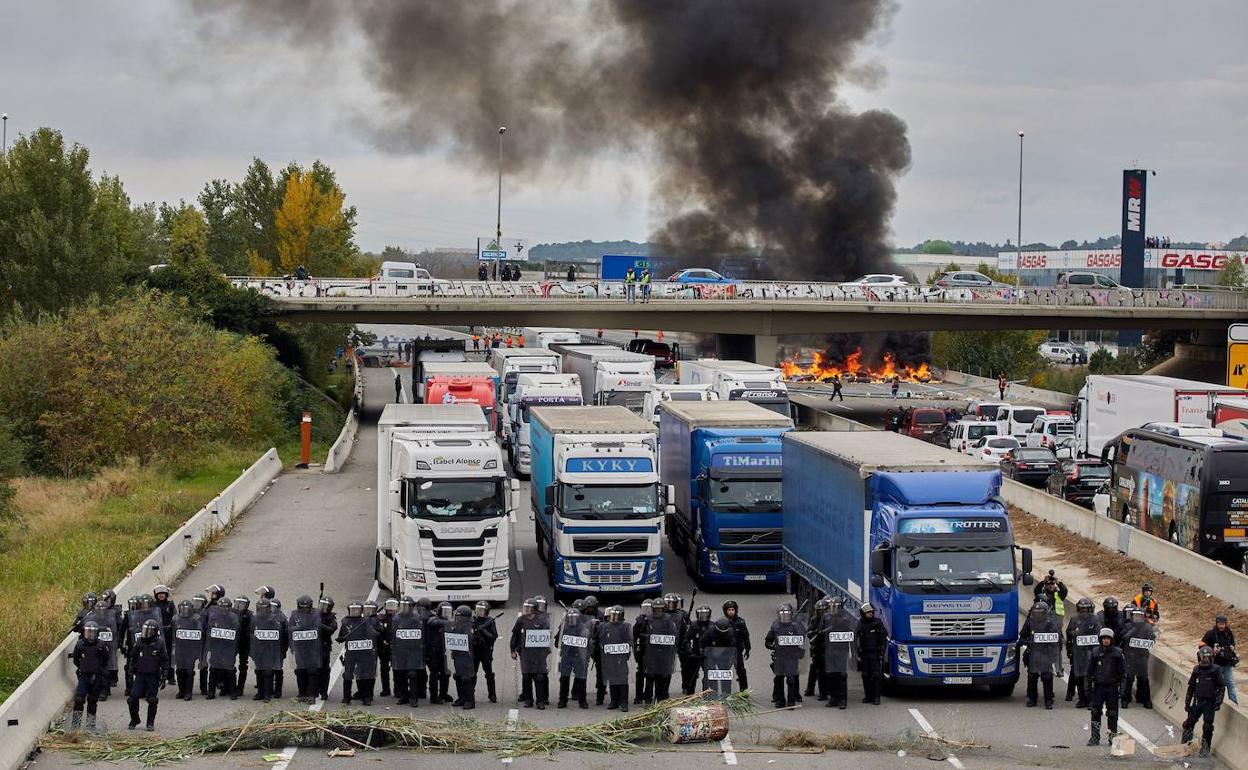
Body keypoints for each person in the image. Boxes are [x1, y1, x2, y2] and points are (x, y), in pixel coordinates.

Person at [1182, 646, 1226, 758]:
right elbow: (1191, 687)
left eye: (1207, 658)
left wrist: (1218, 702)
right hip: (1197, 701)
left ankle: (1205, 747)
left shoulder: (1216, 670)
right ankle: (1185, 745)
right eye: (1203, 657)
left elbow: (1221, 687)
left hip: (1210, 703)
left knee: (1207, 726)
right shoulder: (1196, 669)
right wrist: (1187, 702)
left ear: (1211, 658)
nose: (1205, 660)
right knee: (1189, 723)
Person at [1019, 601, 1063, 709]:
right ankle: (1032, 699)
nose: (1038, 614)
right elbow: (1022, 637)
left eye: (1040, 612)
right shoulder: (1030, 622)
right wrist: (1028, 643)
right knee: (1032, 676)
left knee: (1047, 676)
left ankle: (1048, 700)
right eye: (1036, 612)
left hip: (1046, 654)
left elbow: (1057, 639)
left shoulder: (1050, 623)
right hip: (1033, 654)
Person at [1086, 626, 1125, 746]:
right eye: (1104, 638)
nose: (1106, 640)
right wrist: (1088, 689)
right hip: (1098, 687)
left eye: (1108, 638)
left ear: (1111, 639)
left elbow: (1122, 673)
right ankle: (1095, 738)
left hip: (1112, 687)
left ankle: (1112, 737)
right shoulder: (1095, 652)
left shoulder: (1118, 653)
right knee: (1095, 712)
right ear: (1100, 639)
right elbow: (1089, 672)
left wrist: (1122, 689)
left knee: (1112, 713)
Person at [127, 620, 168, 731]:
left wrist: (164, 676)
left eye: (149, 631)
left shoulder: (159, 643)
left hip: (153, 676)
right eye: (145, 630)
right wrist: (130, 673)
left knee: (152, 699)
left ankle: (150, 723)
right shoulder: (139, 642)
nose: (146, 634)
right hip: (140, 675)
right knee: (132, 698)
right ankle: (135, 719)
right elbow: (133, 658)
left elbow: (165, 660)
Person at [511, 598, 552, 708]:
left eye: (528, 608)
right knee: (526, 677)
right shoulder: (521, 620)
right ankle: (528, 699)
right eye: (525, 607)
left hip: (539, 654)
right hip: (525, 654)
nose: (526, 610)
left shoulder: (541, 620)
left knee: (539, 677)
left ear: (534, 609)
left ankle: (540, 701)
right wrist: (512, 650)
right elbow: (515, 635)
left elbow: (546, 636)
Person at [70, 621, 111, 730]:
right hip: (84, 676)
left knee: (92, 700)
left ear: (96, 633)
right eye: (88, 632)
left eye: (92, 632)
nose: (90, 635)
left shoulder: (101, 645)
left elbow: (106, 659)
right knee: (79, 699)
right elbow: (76, 659)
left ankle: (90, 725)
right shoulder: (80, 645)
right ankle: (75, 725)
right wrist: (83, 667)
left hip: (96, 676)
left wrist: (98, 669)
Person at [337, 600, 380, 705]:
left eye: (357, 610)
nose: (355, 612)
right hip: (351, 653)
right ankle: (346, 697)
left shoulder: (365, 621)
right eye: (353, 610)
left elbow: (373, 634)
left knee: (365, 674)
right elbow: (342, 635)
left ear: (361, 611)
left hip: (363, 653)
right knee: (348, 674)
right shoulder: (346, 622)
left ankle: (366, 697)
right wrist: (341, 638)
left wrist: (372, 630)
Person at [764, 603, 806, 708]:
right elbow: (768, 642)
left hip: (791, 656)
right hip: (780, 656)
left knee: (791, 679)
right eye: (782, 613)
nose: (784, 615)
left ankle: (791, 701)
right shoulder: (775, 626)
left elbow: (802, 640)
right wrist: (775, 646)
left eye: (787, 613)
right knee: (779, 678)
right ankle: (780, 700)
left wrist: (797, 648)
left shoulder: (796, 626)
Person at [820, 596, 856, 709]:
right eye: (832, 606)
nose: (833, 609)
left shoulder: (847, 617)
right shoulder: (826, 617)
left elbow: (853, 631)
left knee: (842, 675)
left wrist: (842, 624)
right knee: (831, 675)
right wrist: (828, 629)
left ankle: (842, 700)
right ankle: (833, 698)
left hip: (841, 650)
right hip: (830, 649)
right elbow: (821, 631)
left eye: (835, 607)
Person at [556, 604, 592, 709]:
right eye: (570, 618)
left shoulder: (583, 629)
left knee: (581, 679)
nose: (572, 620)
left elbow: (589, 644)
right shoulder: (564, 628)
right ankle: (562, 700)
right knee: (564, 679)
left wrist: (586, 656)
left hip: (579, 657)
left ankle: (582, 701)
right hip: (566, 656)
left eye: (574, 618)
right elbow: (557, 642)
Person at [597, 605, 633, 710]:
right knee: (612, 679)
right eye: (612, 615)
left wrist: (626, 651)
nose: (614, 618)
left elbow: (630, 640)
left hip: (621, 657)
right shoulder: (605, 626)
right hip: (610, 657)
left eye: (616, 615)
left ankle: (624, 702)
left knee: (622, 679)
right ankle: (614, 701)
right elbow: (601, 639)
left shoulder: (626, 626)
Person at [249, 598, 285, 703]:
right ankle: (260, 693)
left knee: (268, 672)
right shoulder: (254, 619)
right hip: (258, 650)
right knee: (259, 671)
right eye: (259, 608)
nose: (261, 611)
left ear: (268, 609)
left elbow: (279, 636)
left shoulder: (273, 620)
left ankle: (267, 695)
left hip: (269, 650)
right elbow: (250, 634)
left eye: (263, 609)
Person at [1065, 598, 1099, 707]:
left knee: (1090, 677)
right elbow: (1069, 634)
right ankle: (1082, 699)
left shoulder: (1096, 620)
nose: (1083, 612)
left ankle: (1091, 700)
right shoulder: (1074, 620)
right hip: (1078, 653)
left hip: (1091, 653)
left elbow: (1099, 635)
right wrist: (1070, 650)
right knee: (1078, 677)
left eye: (1086, 609)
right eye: (1081, 609)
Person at [288, 595, 322, 703]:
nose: (304, 610)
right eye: (302, 607)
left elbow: (318, 628)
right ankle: (302, 693)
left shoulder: (316, 614)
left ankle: (312, 694)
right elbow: (290, 629)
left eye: (306, 607)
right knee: (300, 671)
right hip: (299, 647)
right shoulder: (294, 614)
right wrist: (292, 646)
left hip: (312, 647)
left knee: (312, 671)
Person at [643, 600, 679, 703]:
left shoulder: (668, 620)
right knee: (650, 676)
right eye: (656, 609)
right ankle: (648, 698)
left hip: (664, 652)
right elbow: (640, 633)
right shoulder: (648, 619)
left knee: (662, 676)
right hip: (651, 652)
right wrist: (648, 637)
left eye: (660, 609)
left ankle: (660, 698)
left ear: (664, 609)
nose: (658, 611)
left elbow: (674, 635)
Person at [205, 596, 240, 699]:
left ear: (230, 607)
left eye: (226, 607)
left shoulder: (234, 617)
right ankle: (211, 692)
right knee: (213, 670)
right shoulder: (213, 617)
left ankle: (233, 692)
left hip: (229, 648)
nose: (224, 609)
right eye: (221, 607)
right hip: (216, 647)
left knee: (230, 670)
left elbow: (236, 631)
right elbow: (209, 630)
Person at [1119, 608, 1155, 709]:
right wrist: (1131, 632)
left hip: (1142, 656)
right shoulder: (1128, 626)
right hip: (1130, 656)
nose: (1137, 618)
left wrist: (1150, 635)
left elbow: (1153, 638)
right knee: (1129, 678)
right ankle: (1125, 699)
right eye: (1136, 616)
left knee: (1144, 678)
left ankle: (1145, 699)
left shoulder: (1147, 627)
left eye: (1139, 616)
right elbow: (1123, 638)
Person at [1200, 614, 1238, 705]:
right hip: (1216, 665)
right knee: (1216, 684)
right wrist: (1212, 650)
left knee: (1230, 683)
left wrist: (1232, 647)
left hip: (1227, 663)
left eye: (1223, 624)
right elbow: (1201, 645)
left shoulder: (1228, 633)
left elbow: (1232, 642)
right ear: (1216, 624)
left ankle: (1235, 702)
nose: (1222, 626)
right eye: (1220, 624)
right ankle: (1214, 702)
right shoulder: (1211, 633)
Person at [856, 603, 888, 705]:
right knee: (865, 675)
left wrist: (881, 653)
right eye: (868, 612)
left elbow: (883, 638)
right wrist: (857, 651)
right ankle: (868, 696)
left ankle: (876, 697)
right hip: (864, 653)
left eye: (871, 612)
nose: (870, 614)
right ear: (863, 613)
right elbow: (856, 638)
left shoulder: (877, 623)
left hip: (875, 653)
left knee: (876, 675)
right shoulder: (860, 624)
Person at [171, 600, 203, 701]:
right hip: (180, 648)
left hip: (191, 649)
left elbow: (200, 634)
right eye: (183, 609)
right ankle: (181, 690)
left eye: (187, 609)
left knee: (189, 671)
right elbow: (172, 634)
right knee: (179, 671)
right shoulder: (175, 619)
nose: (185, 611)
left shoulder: (196, 619)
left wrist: (197, 651)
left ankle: (188, 692)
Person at [446, 605, 477, 709]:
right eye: (457, 616)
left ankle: (470, 701)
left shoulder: (470, 627)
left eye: (460, 617)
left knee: (466, 678)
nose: (457, 619)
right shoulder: (456, 626)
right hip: (457, 656)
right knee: (458, 676)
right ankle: (462, 698)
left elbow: (471, 639)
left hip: (467, 657)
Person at [699, 617, 738, 699]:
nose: (722, 633)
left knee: (725, 674)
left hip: (724, 656)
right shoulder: (710, 631)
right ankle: (712, 693)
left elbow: (733, 646)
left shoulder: (730, 634)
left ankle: (726, 693)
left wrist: (732, 658)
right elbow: (702, 642)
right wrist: (703, 651)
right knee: (711, 674)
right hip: (711, 655)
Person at [471, 600, 500, 703]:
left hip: (486, 651)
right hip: (475, 651)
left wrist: (483, 630)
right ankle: (470, 692)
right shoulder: (473, 621)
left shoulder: (490, 621)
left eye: (482, 610)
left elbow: (493, 636)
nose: (479, 612)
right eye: (478, 610)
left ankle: (492, 694)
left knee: (489, 674)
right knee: (472, 673)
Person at [683, 605, 713, 696]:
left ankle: (707, 693)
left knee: (708, 674)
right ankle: (690, 692)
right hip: (695, 654)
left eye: (705, 615)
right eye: (701, 615)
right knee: (692, 674)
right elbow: (687, 639)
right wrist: (689, 651)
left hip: (708, 654)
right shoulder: (694, 625)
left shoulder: (712, 625)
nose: (703, 617)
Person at [722, 600, 751, 692]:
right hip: (726, 651)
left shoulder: (740, 622)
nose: (731, 612)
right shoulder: (722, 622)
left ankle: (744, 690)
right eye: (729, 610)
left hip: (737, 650)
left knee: (741, 670)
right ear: (725, 611)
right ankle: (725, 691)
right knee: (725, 672)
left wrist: (748, 649)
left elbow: (745, 636)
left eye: (732, 610)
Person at [425, 601, 450, 704]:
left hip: (444, 652)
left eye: (448, 611)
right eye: (444, 611)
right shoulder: (433, 619)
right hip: (433, 652)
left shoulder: (448, 621)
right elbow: (433, 622)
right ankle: (434, 696)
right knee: (434, 674)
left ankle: (443, 694)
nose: (446, 614)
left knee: (446, 673)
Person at [317, 596, 338, 701]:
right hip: (313, 646)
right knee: (314, 669)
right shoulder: (314, 614)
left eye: (326, 606)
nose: (323, 608)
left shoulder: (331, 618)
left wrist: (319, 624)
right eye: (322, 605)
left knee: (324, 670)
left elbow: (331, 629)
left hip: (324, 645)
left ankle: (324, 691)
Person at [153, 585, 176, 683]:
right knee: (156, 654)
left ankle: (171, 676)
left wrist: (172, 627)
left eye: (163, 594)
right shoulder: (153, 606)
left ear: (166, 595)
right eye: (159, 594)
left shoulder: (170, 605)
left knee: (170, 655)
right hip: (156, 634)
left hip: (168, 633)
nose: (161, 595)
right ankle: (158, 675)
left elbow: (175, 617)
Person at [632, 599, 652, 703]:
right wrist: (636, 651)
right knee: (640, 673)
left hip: (653, 650)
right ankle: (638, 696)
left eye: (648, 609)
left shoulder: (656, 620)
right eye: (645, 608)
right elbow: (634, 636)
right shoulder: (639, 620)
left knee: (650, 674)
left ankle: (648, 695)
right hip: (642, 649)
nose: (646, 611)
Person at [232, 596, 253, 696]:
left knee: (243, 665)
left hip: (244, 643)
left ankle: (240, 688)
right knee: (228, 664)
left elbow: (252, 628)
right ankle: (228, 686)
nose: (239, 606)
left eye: (242, 603)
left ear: (247, 605)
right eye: (237, 603)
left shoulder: (249, 615)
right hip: (232, 642)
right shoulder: (231, 613)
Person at [377, 598, 397, 697]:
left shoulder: (399, 619)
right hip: (384, 647)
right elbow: (378, 632)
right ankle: (386, 689)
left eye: (393, 606)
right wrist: (382, 641)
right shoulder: (381, 618)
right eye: (389, 606)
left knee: (396, 669)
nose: (391, 609)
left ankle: (397, 690)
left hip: (396, 647)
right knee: (384, 669)